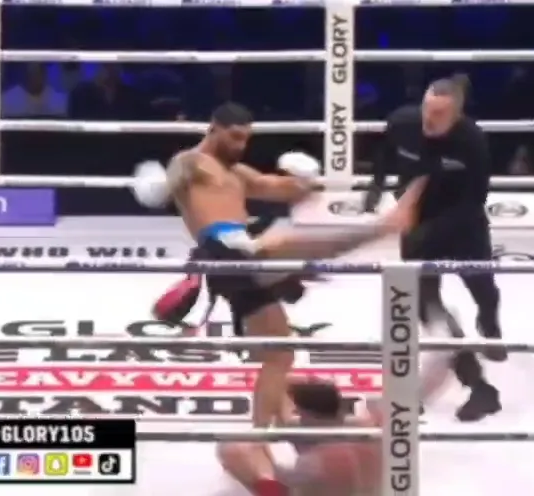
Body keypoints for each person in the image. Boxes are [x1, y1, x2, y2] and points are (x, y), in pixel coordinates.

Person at [130, 102, 429, 495]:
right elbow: (172, 179)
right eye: (233, 137)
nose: (240, 146)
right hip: (223, 250)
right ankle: (384, 227)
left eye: (245, 139)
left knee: (279, 354)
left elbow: (277, 188)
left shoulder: (237, 173)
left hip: (240, 257)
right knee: (281, 244)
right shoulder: (191, 162)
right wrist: (159, 184)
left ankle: (259, 437)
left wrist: (305, 179)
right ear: (214, 129)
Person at [364, 75, 502, 422]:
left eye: (439, 114)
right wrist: (376, 185)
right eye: (427, 108)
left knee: (482, 288)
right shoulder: (403, 122)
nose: (429, 118)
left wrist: (428, 229)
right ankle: (478, 386)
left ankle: (489, 322)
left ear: (456, 114)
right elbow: (384, 152)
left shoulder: (472, 141)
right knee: (426, 306)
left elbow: (474, 200)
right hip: (417, 224)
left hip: (463, 226)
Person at [216, 378, 386, 496]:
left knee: (234, 451)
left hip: (317, 483)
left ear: (302, 413)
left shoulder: (314, 462)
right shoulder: (363, 432)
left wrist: (263, 472)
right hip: (364, 484)